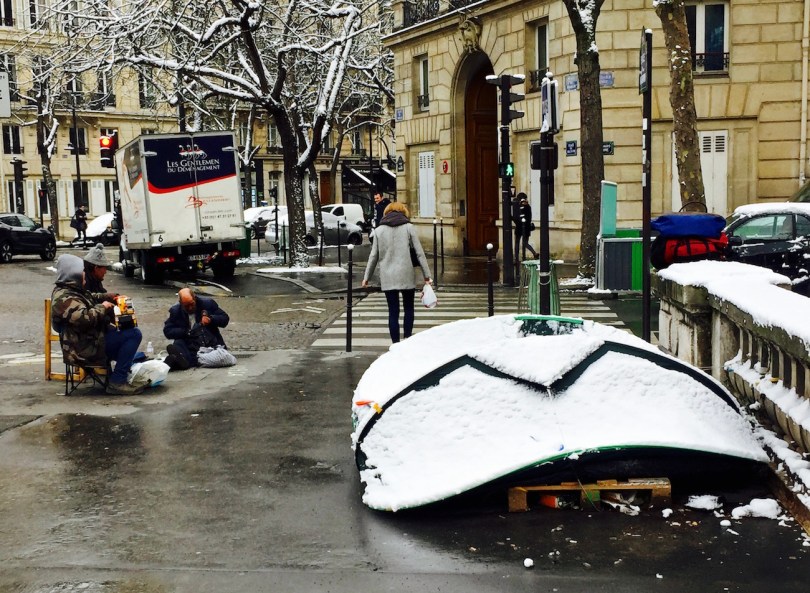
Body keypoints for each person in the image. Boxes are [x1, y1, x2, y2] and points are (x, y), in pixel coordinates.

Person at [51, 254, 145, 395]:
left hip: (90, 340)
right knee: (133, 335)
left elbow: (90, 297)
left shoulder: (71, 291)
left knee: (125, 328)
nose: (84, 274)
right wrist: (103, 307)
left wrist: (109, 296)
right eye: (81, 271)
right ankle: (117, 381)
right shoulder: (64, 298)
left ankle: (118, 375)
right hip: (83, 348)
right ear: (73, 274)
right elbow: (84, 319)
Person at [362, 202, 432, 343]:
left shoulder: (379, 231)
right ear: (403, 212)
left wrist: (366, 278)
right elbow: (419, 253)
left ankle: (395, 344)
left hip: (388, 275)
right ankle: (407, 339)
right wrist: (427, 275)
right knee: (409, 308)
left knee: (393, 312)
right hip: (406, 273)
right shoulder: (409, 227)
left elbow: (373, 256)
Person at [163, 287, 230, 370]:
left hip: (208, 342)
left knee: (192, 358)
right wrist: (186, 332)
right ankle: (178, 359)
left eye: (192, 304)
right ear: (181, 303)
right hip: (190, 344)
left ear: (195, 298)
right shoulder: (176, 311)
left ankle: (178, 361)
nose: (190, 308)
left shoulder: (207, 304)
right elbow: (168, 331)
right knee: (179, 343)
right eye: (186, 306)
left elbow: (225, 319)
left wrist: (211, 319)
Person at [515, 192, 538, 260]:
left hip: (520, 226)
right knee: (525, 243)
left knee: (517, 242)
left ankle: (516, 257)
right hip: (527, 227)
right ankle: (534, 253)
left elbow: (517, 216)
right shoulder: (528, 206)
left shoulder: (519, 206)